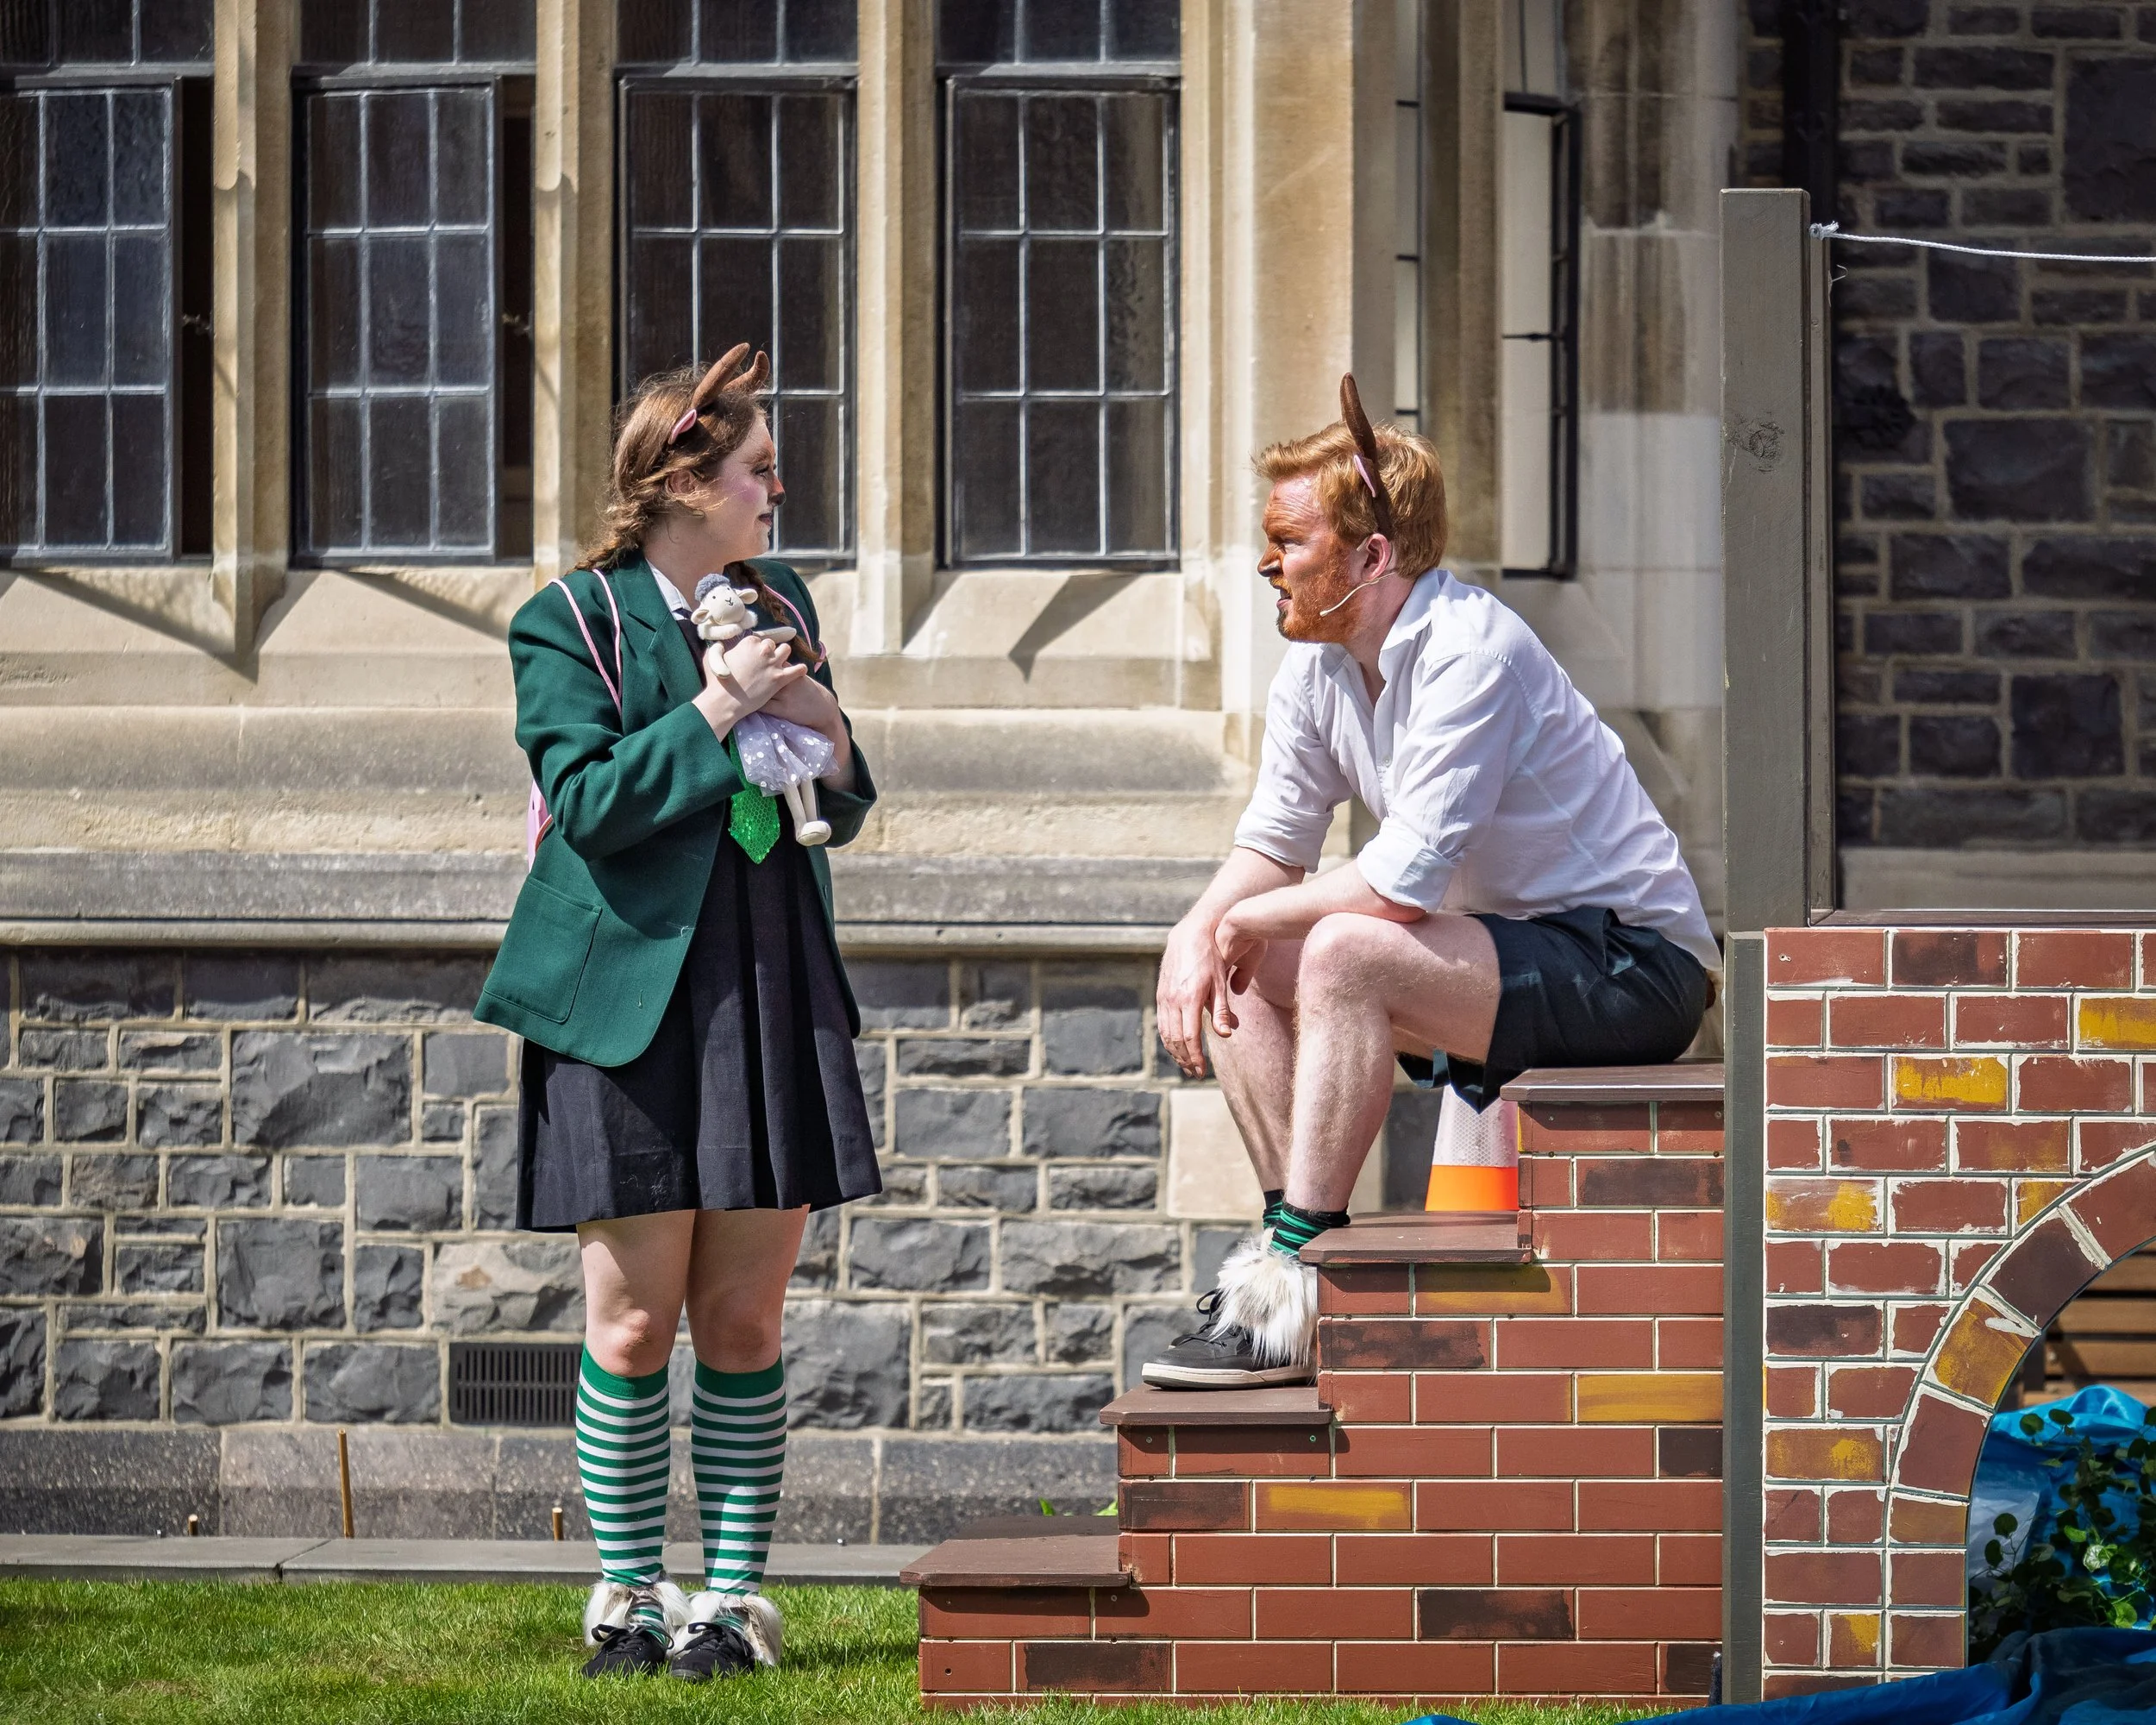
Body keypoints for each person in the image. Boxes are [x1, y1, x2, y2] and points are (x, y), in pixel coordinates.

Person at [1143, 378, 1716, 1391]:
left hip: (1635, 965)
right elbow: (1275, 841)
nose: (1267, 560)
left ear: (1372, 557)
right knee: (1250, 962)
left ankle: (1286, 1271)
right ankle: (1295, 1265)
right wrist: (1200, 928)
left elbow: (1399, 883)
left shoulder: (1471, 647)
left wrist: (1237, 918)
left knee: (1344, 948)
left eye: (1290, 539)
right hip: (1497, 955)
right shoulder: (1317, 669)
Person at [473, 348, 880, 1681]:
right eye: (759, 469)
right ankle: (629, 1593)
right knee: (634, 1323)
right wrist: (721, 704)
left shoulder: (781, 596)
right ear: (687, 481)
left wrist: (811, 705)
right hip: (630, 992)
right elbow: (588, 803)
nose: (778, 489)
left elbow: (846, 798)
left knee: (747, 1325)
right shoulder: (568, 620)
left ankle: (733, 1603)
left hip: (768, 972)